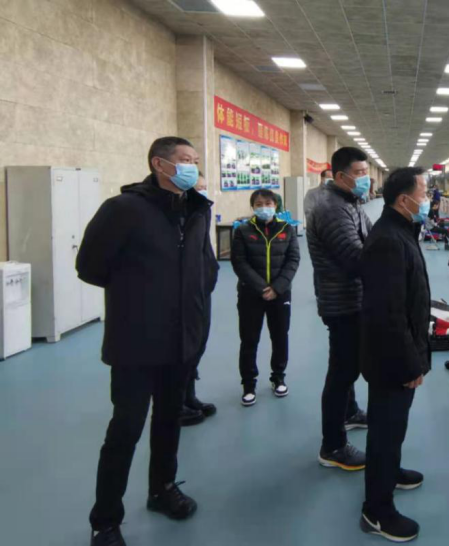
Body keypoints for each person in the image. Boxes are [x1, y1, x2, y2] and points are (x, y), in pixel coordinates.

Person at [78, 137, 216, 546]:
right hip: (135, 342)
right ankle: (105, 520)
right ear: (159, 164)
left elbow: (205, 263)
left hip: (181, 340)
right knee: (126, 429)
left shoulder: (196, 209)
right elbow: (89, 266)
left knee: (170, 420)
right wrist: (140, 294)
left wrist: (196, 303)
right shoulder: (124, 209)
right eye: (185, 160)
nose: (192, 167)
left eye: (195, 160)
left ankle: (163, 489)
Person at [359, 167, 431, 542]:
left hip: (400, 351)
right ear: (404, 200)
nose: (427, 199)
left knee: (394, 425)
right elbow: (389, 314)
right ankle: (377, 511)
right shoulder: (388, 240)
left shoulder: (401, 230)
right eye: (424, 193)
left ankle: (391, 472)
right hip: (391, 359)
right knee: (385, 431)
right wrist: (410, 364)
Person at [308, 147, 372, 471]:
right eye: (359, 173)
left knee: (347, 366)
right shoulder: (332, 208)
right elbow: (357, 257)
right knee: (342, 371)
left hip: (351, 298)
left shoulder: (351, 202)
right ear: (340, 176)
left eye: (366, 172)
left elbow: (372, 238)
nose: (365, 179)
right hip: (342, 301)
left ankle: (349, 412)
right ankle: (332, 446)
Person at [231, 189, 300, 406]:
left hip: (280, 294)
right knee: (249, 339)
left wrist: (277, 288)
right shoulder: (243, 230)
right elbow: (239, 262)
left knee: (280, 336)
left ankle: (278, 377)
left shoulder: (287, 229)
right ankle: (248, 384)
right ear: (253, 207)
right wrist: (262, 288)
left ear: (275, 205)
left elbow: (293, 259)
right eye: (259, 204)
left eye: (268, 203)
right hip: (251, 294)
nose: (264, 208)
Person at [180, 174, 218, 426]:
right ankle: (177, 404)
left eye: (205, 187)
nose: (202, 192)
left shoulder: (202, 210)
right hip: (182, 291)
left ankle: (189, 396)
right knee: (183, 347)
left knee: (198, 343)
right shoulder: (177, 215)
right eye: (198, 188)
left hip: (201, 288)